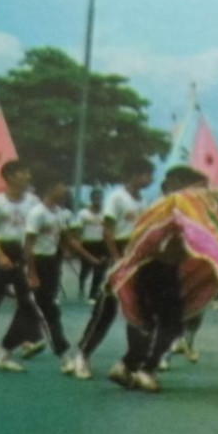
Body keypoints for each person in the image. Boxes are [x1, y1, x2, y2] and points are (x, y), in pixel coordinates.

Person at [110, 166, 208, 393]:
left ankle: (128, 365)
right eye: (200, 186)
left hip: (158, 268)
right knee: (170, 323)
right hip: (158, 268)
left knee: (150, 320)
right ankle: (146, 368)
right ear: (180, 183)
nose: (203, 192)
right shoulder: (172, 206)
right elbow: (152, 240)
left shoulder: (170, 206)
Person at [72, 159, 154, 382]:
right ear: (134, 174)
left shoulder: (144, 200)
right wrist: (117, 259)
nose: (150, 179)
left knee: (137, 311)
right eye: (146, 174)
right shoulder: (117, 198)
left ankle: (132, 363)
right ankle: (82, 354)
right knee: (105, 311)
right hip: (118, 256)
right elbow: (107, 230)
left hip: (136, 256)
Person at [24, 177, 98, 374]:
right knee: (49, 310)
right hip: (38, 263)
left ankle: (14, 346)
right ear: (50, 188)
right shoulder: (37, 213)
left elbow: (68, 240)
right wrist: (32, 272)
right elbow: (29, 245)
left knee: (41, 308)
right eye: (61, 185)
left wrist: (91, 259)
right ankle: (63, 355)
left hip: (51, 263)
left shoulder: (58, 213)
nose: (64, 188)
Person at [0, 160, 44, 371]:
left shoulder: (33, 201)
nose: (28, 176)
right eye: (24, 172)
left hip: (23, 251)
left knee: (27, 297)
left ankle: (30, 339)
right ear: (12, 176)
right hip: (3, 250)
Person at [74, 188, 108, 301]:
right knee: (86, 269)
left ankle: (93, 294)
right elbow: (78, 231)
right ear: (92, 199)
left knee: (100, 270)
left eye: (99, 198)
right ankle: (81, 284)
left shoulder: (105, 214)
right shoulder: (83, 214)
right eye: (95, 198)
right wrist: (78, 244)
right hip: (87, 244)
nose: (97, 200)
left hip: (101, 244)